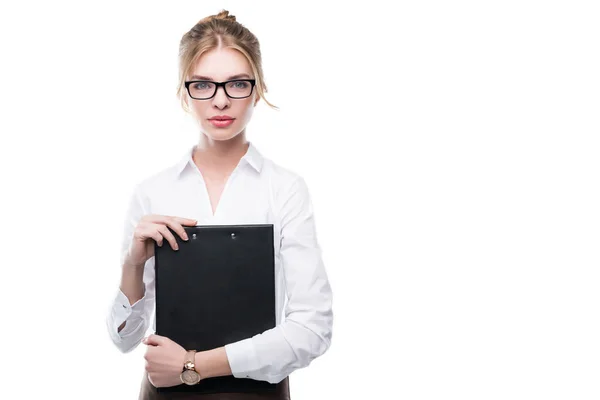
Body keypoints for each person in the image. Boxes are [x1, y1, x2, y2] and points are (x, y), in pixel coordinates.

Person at [105, 9, 334, 400]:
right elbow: (124, 340)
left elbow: (313, 329)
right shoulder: (152, 191)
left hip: (258, 394)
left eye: (237, 84)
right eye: (204, 85)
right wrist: (133, 263)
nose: (221, 101)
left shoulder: (285, 189)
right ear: (184, 92)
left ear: (257, 90)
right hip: (165, 395)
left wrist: (191, 365)